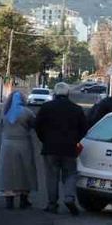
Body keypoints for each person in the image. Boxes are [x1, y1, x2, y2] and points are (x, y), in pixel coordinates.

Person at [34, 82, 88, 215]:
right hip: (69, 148)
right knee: (70, 174)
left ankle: (52, 204)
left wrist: (44, 139)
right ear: (68, 93)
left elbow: (37, 126)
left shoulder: (46, 107)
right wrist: (76, 140)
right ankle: (69, 197)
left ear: (55, 93)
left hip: (50, 148)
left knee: (52, 176)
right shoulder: (77, 109)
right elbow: (84, 128)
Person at [0, 91, 38, 209]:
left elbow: (1, 125)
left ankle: (9, 201)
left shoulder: (5, 112)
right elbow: (34, 125)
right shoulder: (27, 112)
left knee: (8, 172)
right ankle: (24, 200)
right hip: (24, 144)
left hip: (7, 145)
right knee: (25, 171)